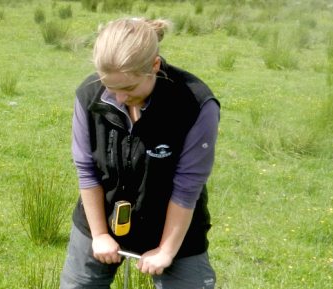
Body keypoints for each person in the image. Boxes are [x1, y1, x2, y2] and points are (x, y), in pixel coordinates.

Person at [60, 17, 219, 289]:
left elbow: (187, 186)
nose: (119, 97)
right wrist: (99, 235)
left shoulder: (194, 104)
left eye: (129, 88)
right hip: (101, 216)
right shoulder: (89, 95)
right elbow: (86, 169)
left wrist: (166, 251)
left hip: (172, 225)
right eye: (111, 87)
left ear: (154, 66)